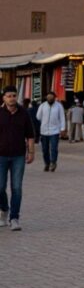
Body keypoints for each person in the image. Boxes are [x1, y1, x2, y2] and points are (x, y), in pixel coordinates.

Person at [1, 86, 35, 231]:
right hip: (1, 156)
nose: (12, 98)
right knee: (0, 187)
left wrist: (31, 152)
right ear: (4, 98)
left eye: (14, 95)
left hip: (18, 156)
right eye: (9, 96)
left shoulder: (24, 113)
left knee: (17, 188)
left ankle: (14, 218)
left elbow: (30, 134)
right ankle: (4, 209)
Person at [36, 91, 65, 172]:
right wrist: (44, 121)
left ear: (54, 98)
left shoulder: (59, 106)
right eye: (48, 97)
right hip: (44, 131)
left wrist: (62, 129)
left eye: (51, 97)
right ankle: (47, 163)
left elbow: (62, 118)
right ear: (46, 98)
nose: (50, 99)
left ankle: (53, 163)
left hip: (55, 131)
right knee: (45, 149)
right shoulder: (42, 106)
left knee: (54, 148)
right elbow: (38, 116)